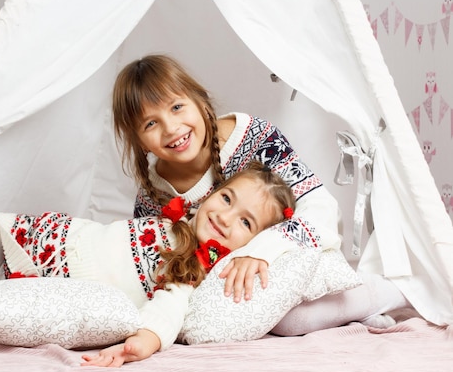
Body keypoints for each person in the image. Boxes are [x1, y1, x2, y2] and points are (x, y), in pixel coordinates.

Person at [0, 161, 296, 367]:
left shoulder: (195, 267)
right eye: (226, 199)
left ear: (255, 241)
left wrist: (142, 344)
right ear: (210, 193)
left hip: (44, 285)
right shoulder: (177, 215)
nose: (225, 216)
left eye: (245, 221)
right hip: (36, 238)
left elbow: (170, 308)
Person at [112, 54, 410, 334]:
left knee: (288, 320)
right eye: (151, 123)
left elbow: (319, 206)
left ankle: (394, 293)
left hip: (285, 257)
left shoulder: (255, 137)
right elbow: (158, 266)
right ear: (139, 141)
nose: (171, 128)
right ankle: (354, 310)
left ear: (199, 101)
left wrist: (262, 252)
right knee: (255, 316)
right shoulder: (152, 198)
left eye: (177, 107)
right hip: (230, 285)